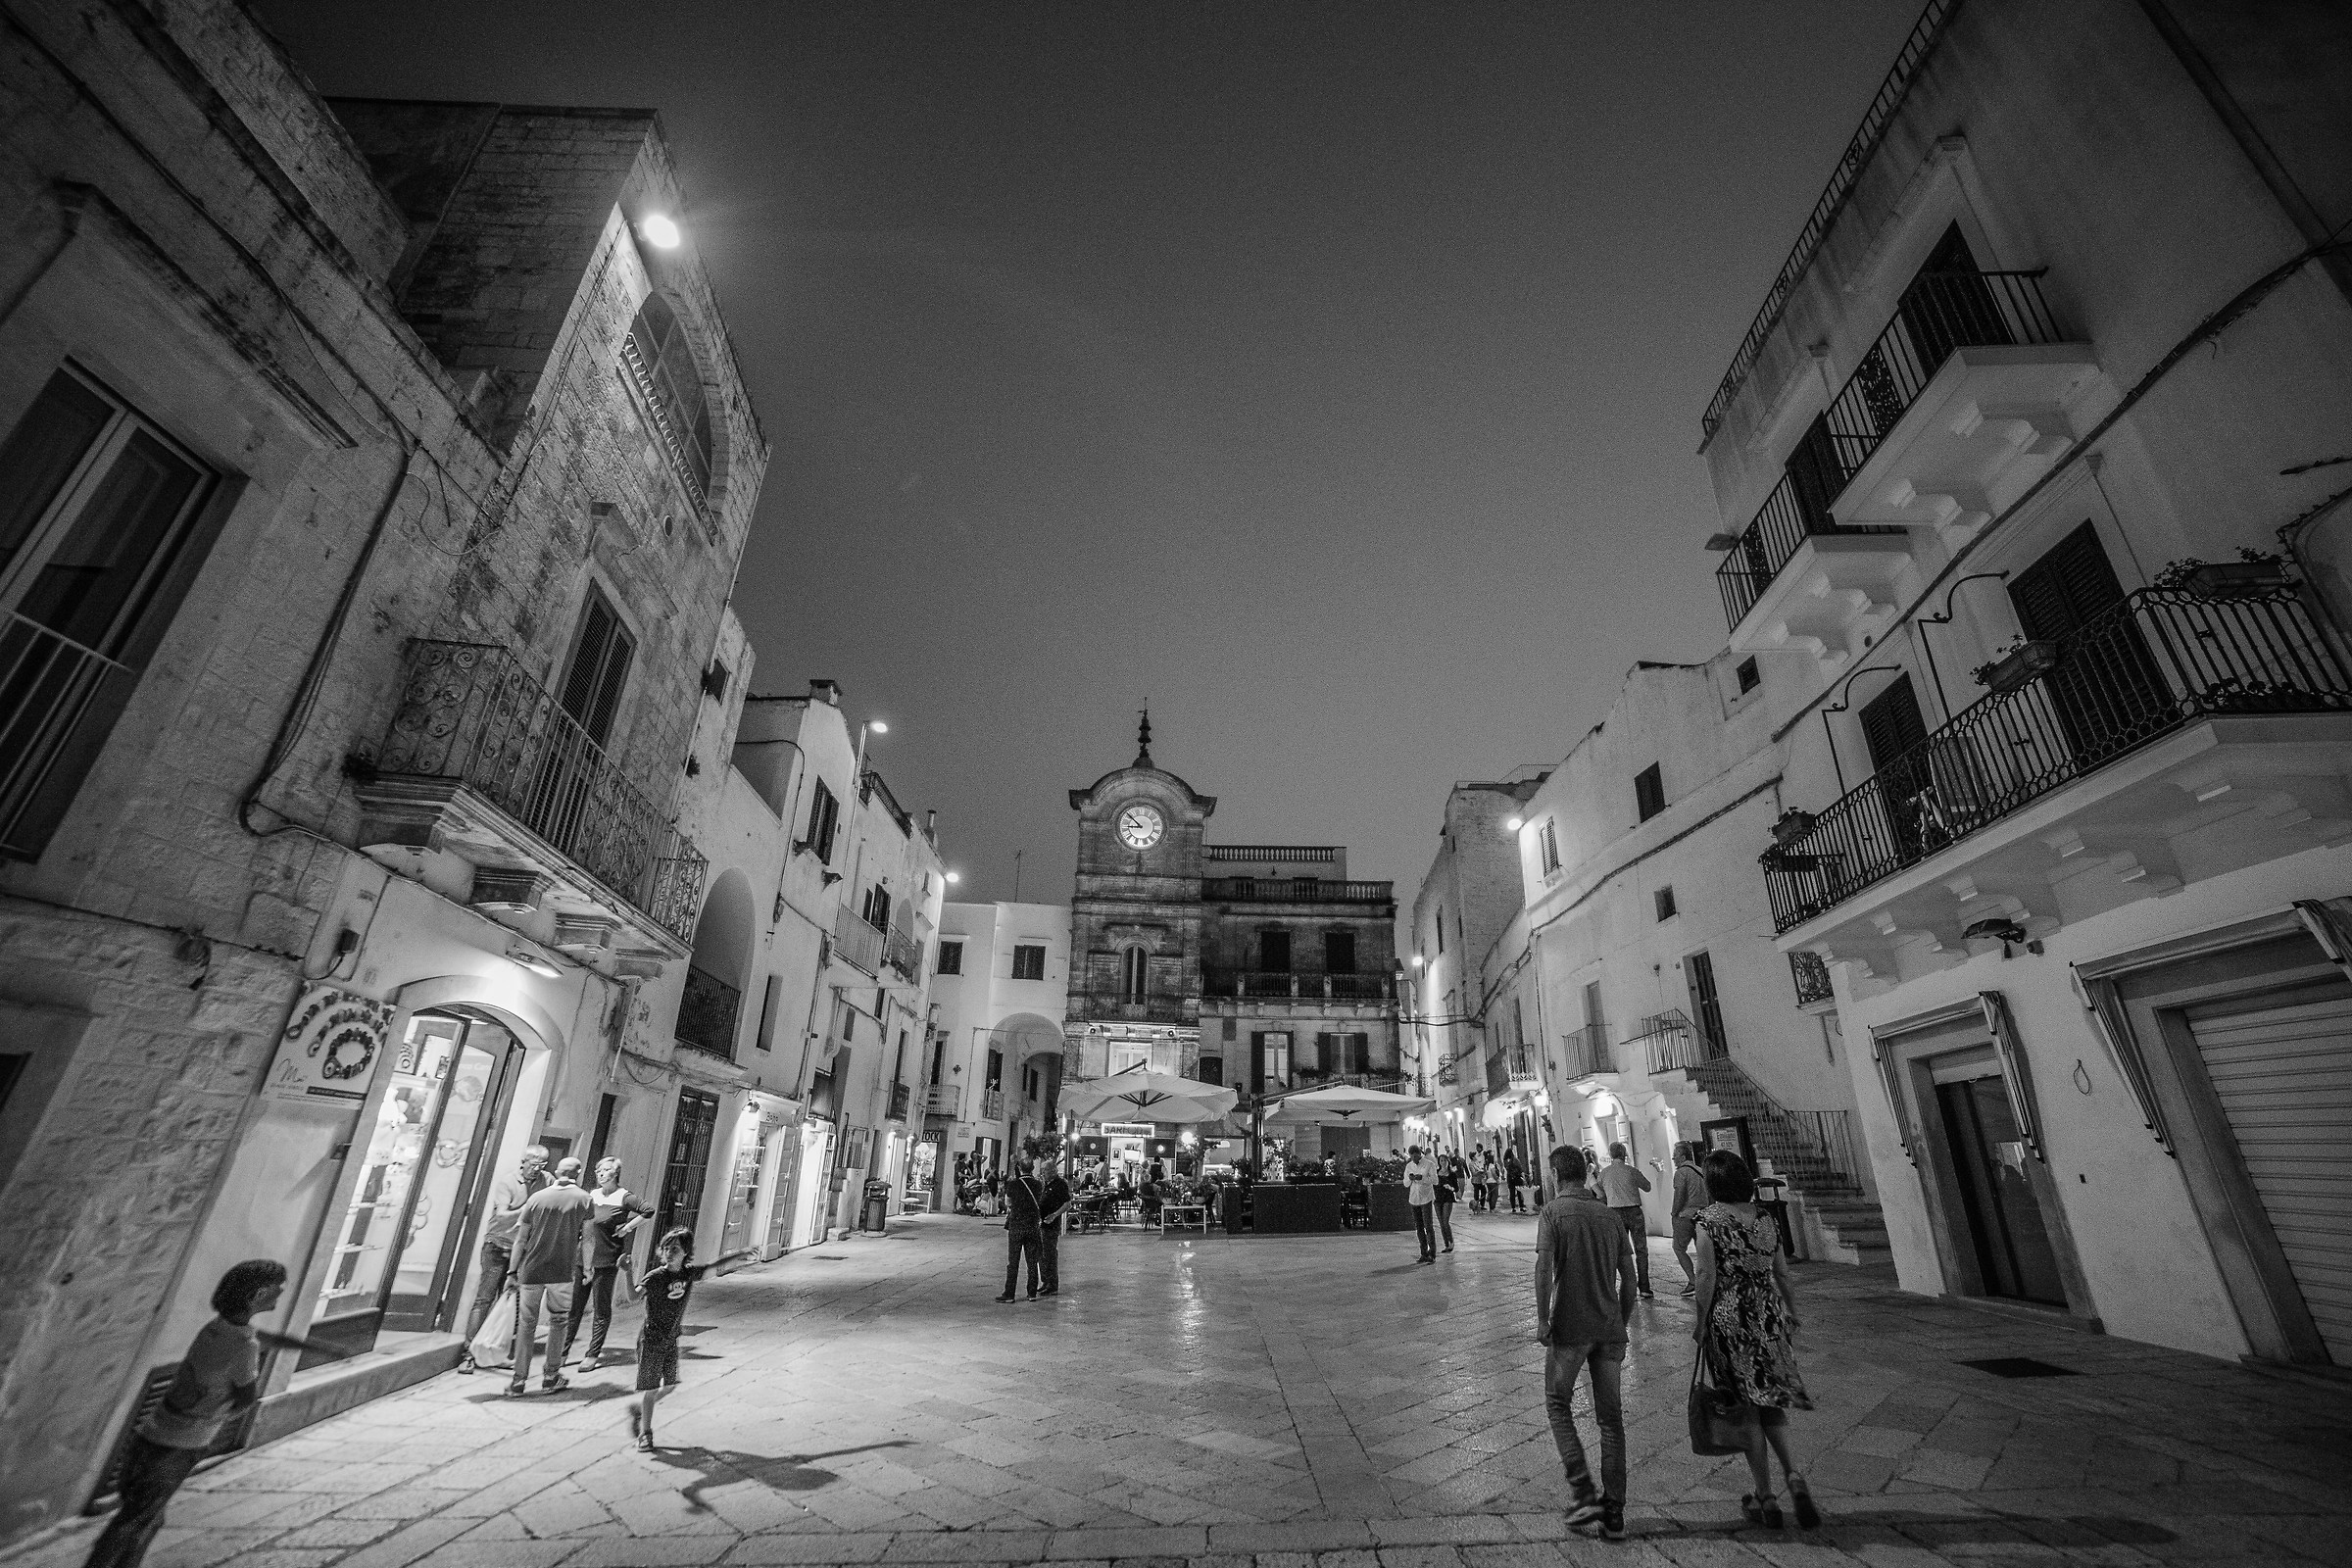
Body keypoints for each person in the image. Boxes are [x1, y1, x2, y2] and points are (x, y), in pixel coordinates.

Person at [85, 1260, 287, 1568]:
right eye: (277, 1288)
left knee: (144, 1516)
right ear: (258, 1294)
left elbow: (254, 1339)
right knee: (135, 1521)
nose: (281, 1293)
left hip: (151, 1432)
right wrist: (213, 1417)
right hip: (183, 1444)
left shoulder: (214, 1327)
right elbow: (246, 1397)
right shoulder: (245, 1348)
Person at [1693, 1150, 1817, 1531]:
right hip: (1768, 1317)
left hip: (1731, 1320)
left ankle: (1765, 1495)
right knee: (1771, 1400)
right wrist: (1792, 1310)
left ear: (1713, 1184)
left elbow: (1705, 1279)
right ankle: (1794, 1475)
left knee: (1745, 1407)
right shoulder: (1766, 1218)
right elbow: (1782, 1271)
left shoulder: (1709, 1220)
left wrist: (1701, 1324)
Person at [1533, 1147, 1636, 1543]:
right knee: (1611, 1421)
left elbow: (1544, 1266)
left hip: (1571, 1326)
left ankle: (1582, 1490)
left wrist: (1543, 1318)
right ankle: (1615, 1514)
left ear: (1557, 1174)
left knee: (1558, 1404)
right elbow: (1629, 1277)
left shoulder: (1553, 1213)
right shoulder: (1609, 1216)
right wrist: (1621, 1322)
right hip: (1609, 1327)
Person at [458, 1144, 548, 1372]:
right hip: (497, 1246)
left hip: (522, 1248)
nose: (537, 1169)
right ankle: (468, 1354)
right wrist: (527, 1208)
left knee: (511, 1301)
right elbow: (502, 1214)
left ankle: (498, 1351)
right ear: (524, 1161)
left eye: (542, 1165)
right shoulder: (508, 1182)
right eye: (533, 1164)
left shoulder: (547, 1180)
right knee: (484, 1298)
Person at [509, 1156, 594, 1395]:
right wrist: (587, 1268)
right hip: (561, 1271)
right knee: (558, 1322)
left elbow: (521, 1238)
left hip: (531, 1270)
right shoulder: (585, 1199)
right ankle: (550, 1376)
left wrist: (512, 1271)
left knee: (526, 1325)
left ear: (556, 1172)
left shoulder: (536, 1198)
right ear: (578, 1173)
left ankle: (518, 1381)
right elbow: (588, 1238)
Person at [564, 1157, 655, 1370]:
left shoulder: (624, 1197)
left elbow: (648, 1210)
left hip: (606, 1259)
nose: (601, 1174)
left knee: (601, 1308)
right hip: (583, 1259)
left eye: (606, 1170)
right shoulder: (591, 1195)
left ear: (615, 1174)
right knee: (575, 1307)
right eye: (598, 1170)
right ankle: (563, 1351)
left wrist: (628, 1227)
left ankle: (593, 1354)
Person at [628, 1227, 707, 1452]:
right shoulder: (656, 1277)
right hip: (651, 1340)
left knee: (670, 1385)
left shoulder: (687, 1274)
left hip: (671, 1339)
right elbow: (634, 1297)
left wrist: (740, 1257)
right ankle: (645, 1434)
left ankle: (641, 1410)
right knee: (651, 1389)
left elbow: (714, 1268)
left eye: (675, 1249)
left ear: (685, 1253)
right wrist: (626, 1272)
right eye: (666, 1248)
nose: (669, 1253)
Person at [1594, 1143, 1655, 1300]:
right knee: (1641, 1249)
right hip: (1634, 1211)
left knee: (1618, 1251)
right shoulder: (1631, 1171)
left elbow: (1600, 1193)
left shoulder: (1604, 1173)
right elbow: (1647, 1187)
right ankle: (1644, 1287)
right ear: (1624, 1153)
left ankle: (1625, 1288)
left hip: (1615, 1212)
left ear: (1611, 1154)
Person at [998, 1161, 1046, 1301]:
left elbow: (1008, 1203)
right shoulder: (1038, 1185)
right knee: (1032, 1261)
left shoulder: (1013, 1184)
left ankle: (1009, 1294)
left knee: (1013, 1261)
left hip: (1016, 1225)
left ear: (1020, 1168)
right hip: (1032, 1226)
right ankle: (1032, 1293)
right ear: (1032, 1168)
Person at [1670, 1143, 1709, 1298]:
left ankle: (1693, 1281)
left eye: (1676, 1156)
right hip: (1702, 1214)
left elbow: (1680, 1194)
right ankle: (1707, 1279)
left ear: (1683, 1156)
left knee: (1679, 1248)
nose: (1674, 1159)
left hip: (1686, 1214)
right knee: (1703, 1249)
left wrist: (1674, 1212)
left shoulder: (1681, 1173)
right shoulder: (1700, 1171)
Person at [1037, 1155, 1070, 1297]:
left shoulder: (1060, 1184)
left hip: (1051, 1225)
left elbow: (1067, 1204)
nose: (1042, 1173)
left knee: (1050, 1254)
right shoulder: (1046, 1184)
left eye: (1044, 1170)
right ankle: (1045, 1281)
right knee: (1041, 1255)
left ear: (1052, 1171)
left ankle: (1052, 1284)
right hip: (1041, 1224)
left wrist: (1055, 1215)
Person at [1403, 1145, 1438, 1263]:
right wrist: (1411, 1178)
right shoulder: (1409, 1166)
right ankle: (1423, 1252)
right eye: (1412, 1157)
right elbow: (1406, 1183)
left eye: (1416, 1156)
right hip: (1414, 1199)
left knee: (1428, 1226)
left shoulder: (1429, 1164)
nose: (1414, 1159)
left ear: (1420, 1154)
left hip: (1426, 1198)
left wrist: (1422, 1178)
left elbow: (1435, 1180)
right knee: (1419, 1227)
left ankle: (1432, 1253)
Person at [1433, 1150, 1461, 1254]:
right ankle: (1446, 1244)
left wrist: (1451, 1188)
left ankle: (1451, 1241)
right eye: (1441, 1161)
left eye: (1444, 1160)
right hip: (1438, 1199)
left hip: (1448, 1198)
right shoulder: (1436, 1174)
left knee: (1445, 1221)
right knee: (1441, 1223)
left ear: (1448, 1162)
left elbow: (1456, 1188)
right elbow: (1432, 1184)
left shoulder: (1452, 1174)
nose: (1443, 1163)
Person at [1504, 1147, 1529, 1214]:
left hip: (1510, 1178)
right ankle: (1521, 1206)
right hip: (1517, 1178)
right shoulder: (1515, 1160)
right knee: (1519, 1192)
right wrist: (1524, 1178)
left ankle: (1513, 1207)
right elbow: (1520, 1169)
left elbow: (1507, 1170)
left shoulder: (1506, 1161)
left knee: (1512, 1193)